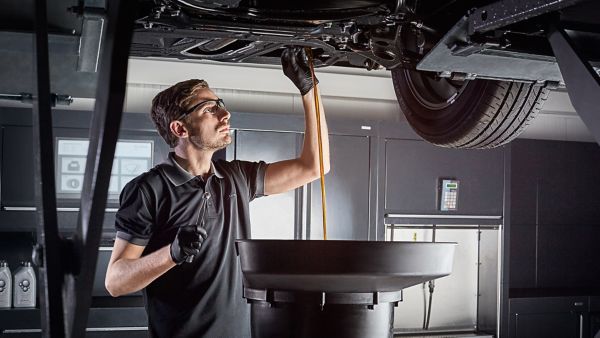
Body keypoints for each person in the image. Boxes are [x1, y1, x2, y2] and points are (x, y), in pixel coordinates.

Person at [104, 46, 330, 337]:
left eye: (220, 104)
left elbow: (315, 165)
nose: (225, 114)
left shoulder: (236, 177)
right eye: (210, 109)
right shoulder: (149, 189)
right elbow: (115, 281)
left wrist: (309, 90)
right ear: (180, 129)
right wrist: (172, 254)